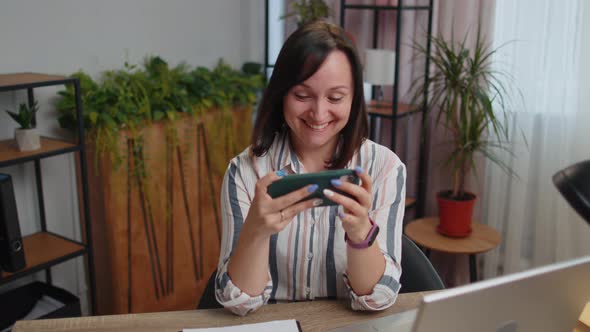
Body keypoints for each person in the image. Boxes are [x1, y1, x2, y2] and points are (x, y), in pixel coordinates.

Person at [215, 21, 406, 316]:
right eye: (302, 96)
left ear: (354, 99)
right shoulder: (245, 170)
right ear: (281, 94)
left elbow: (379, 298)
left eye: (335, 98)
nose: (318, 114)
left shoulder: (384, 168)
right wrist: (255, 231)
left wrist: (360, 233)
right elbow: (238, 302)